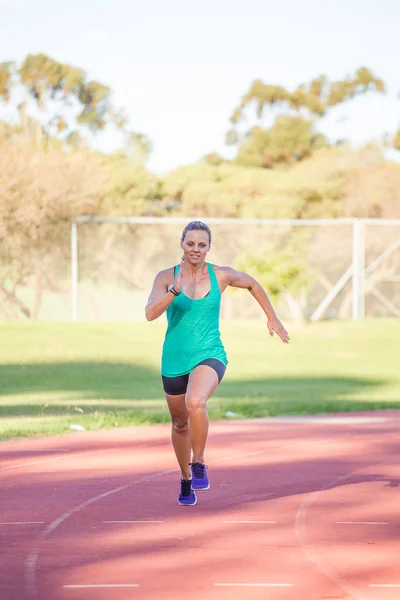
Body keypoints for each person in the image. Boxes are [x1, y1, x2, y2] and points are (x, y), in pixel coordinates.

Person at [145, 220, 289, 506]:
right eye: (190, 244)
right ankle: (186, 478)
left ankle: (198, 462)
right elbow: (149, 313)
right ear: (182, 244)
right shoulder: (165, 277)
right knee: (179, 424)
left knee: (195, 401)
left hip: (210, 354)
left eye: (201, 245)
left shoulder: (220, 275)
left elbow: (252, 284)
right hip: (174, 359)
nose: (195, 249)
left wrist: (271, 317)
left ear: (209, 247)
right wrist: (172, 292)